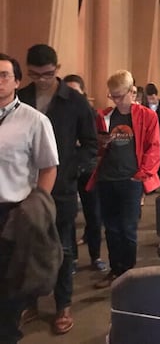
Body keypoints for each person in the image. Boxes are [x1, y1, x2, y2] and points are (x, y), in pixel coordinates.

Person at [19, 45, 97, 335]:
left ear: (58, 69)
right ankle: (29, 302)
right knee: (26, 247)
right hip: (23, 187)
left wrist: (72, 170)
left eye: (48, 74)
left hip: (61, 188)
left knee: (62, 249)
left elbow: (90, 144)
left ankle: (63, 304)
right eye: (35, 74)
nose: (41, 80)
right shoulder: (21, 97)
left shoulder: (75, 101)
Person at [0, 53, 60, 344]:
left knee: (9, 287)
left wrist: (36, 207)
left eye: (4, 75)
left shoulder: (34, 120)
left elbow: (48, 167)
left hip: (13, 213)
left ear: (17, 82)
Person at [87, 70, 160, 289]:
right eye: (112, 96)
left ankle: (127, 272)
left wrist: (141, 175)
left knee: (128, 229)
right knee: (111, 228)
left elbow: (153, 147)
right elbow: (95, 148)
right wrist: (102, 144)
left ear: (132, 92)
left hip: (131, 180)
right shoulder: (104, 116)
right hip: (107, 178)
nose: (116, 100)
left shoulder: (147, 116)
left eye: (120, 95)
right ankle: (115, 269)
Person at [62, 74, 107, 274]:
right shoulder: (59, 114)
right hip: (66, 171)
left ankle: (96, 256)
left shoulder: (93, 114)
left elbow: (97, 142)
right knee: (68, 217)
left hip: (89, 169)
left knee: (94, 215)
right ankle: (71, 259)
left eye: (75, 91)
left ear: (83, 93)